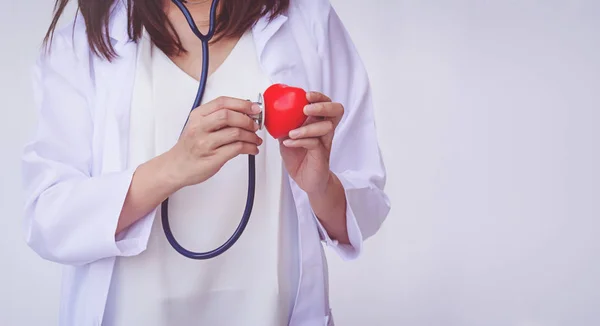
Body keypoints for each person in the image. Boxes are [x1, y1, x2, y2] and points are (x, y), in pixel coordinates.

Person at [21, 0, 390, 325]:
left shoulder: (308, 20)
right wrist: (173, 167)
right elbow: (49, 218)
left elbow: (366, 206)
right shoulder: (85, 38)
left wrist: (320, 186)